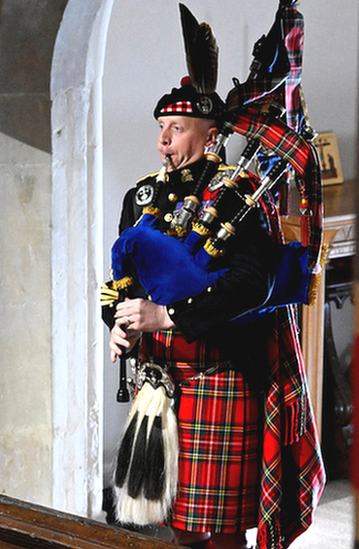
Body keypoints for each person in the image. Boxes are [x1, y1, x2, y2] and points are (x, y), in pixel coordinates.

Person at [108, 79, 283, 549]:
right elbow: (121, 280)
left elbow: (251, 283)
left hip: (217, 375)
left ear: (210, 138)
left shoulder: (241, 196)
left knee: (225, 530)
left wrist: (169, 317)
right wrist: (119, 326)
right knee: (180, 526)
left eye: (177, 128)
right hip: (160, 380)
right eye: (162, 127)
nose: (163, 140)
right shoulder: (141, 197)